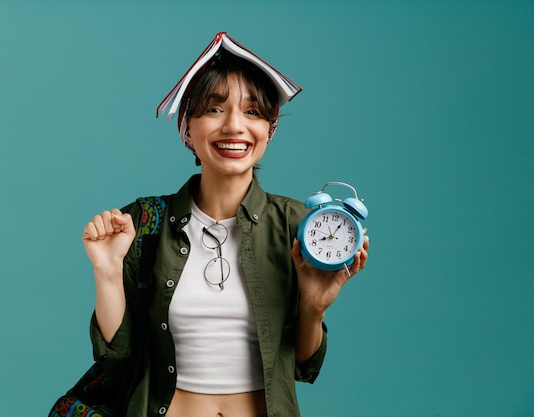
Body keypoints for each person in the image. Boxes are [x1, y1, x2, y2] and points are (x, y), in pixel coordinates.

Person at [81, 33, 369, 417]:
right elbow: (118, 355)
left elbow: (302, 364)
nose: (235, 126)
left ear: (269, 128)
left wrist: (314, 309)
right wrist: (107, 270)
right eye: (215, 109)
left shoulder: (299, 226)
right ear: (188, 128)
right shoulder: (142, 223)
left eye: (252, 112)